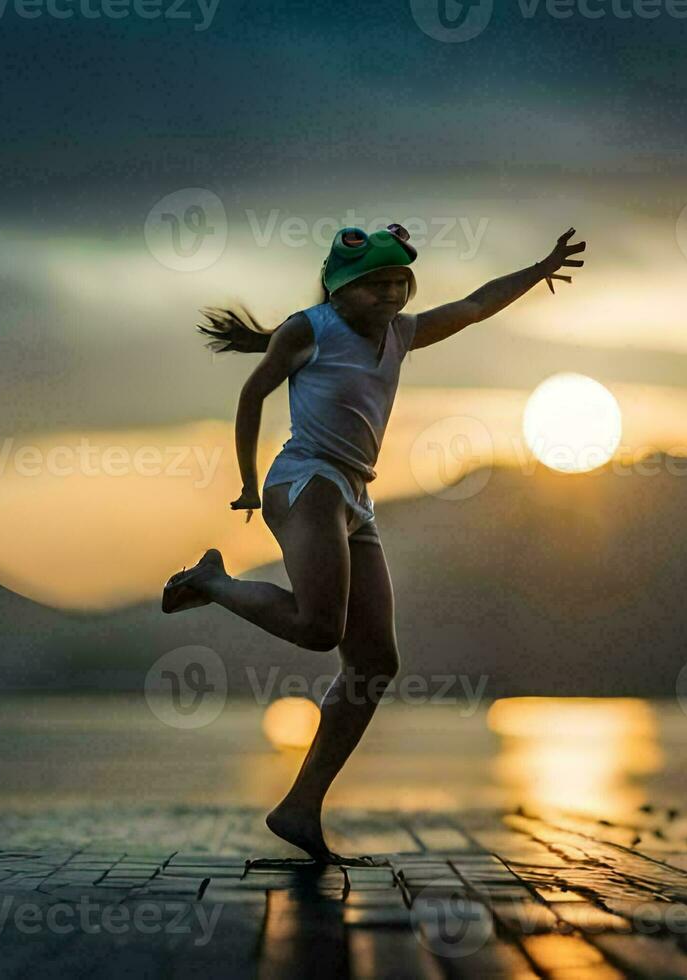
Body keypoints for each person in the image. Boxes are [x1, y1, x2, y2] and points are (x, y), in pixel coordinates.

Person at [162, 222, 586, 863]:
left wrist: (540, 266)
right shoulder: (310, 328)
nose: (391, 295)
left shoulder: (402, 333)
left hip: (355, 494)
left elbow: (474, 306)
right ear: (341, 288)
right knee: (318, 628)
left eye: (399, 284)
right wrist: (250, 484)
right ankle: (213, 581)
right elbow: (253, 395)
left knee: (375, 663)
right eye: (377, 285)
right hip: (306, 481)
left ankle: (299, 808)